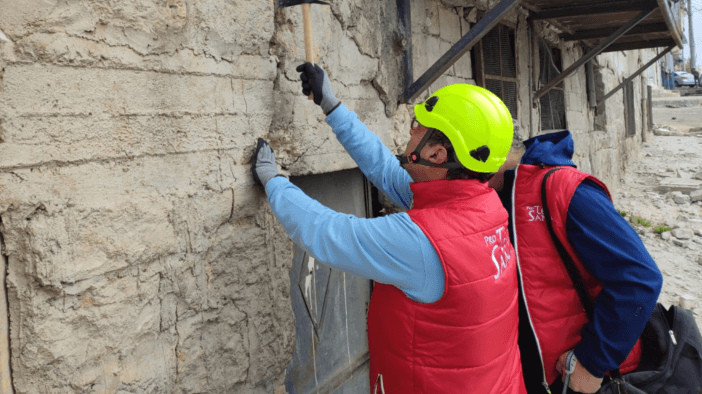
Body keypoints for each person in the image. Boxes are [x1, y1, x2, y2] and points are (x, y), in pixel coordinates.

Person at [251, 63, 527, 394]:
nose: (410, 131)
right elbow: (386, 170)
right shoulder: (483, 207)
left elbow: (326, 232)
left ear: (436, 154)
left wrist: (274, 181)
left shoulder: (422, 242)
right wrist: (331, 106)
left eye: (417, 126)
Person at [489, 131, 663, 394]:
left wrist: (592, 362)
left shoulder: (565, 189)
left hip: (575, 373)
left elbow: (638, 277)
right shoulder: (503, 192)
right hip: (534, 369)